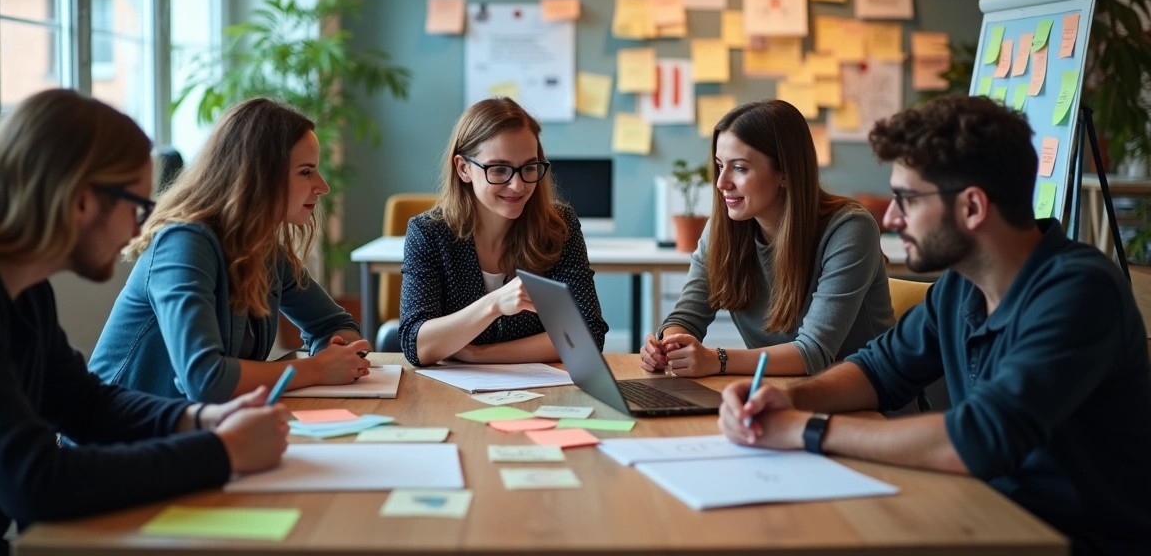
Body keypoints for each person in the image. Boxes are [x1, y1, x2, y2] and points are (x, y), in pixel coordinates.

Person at [720, 95, 1151, 555]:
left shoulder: (1078, 292)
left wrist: (805, 429)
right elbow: (876, 370)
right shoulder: (962, 286)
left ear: (971, 207)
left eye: (906, 198)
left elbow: (979, 438)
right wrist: (787, 396)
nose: (890, 217)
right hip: (982, 515)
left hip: (1072, 539)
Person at [0, 89, 290, 555]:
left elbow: (84, 404)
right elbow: (35, 481)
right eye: (137, 208)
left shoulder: (21, 285)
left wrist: (202, 417)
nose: (140, 231)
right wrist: (222, 452)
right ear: (83, 201)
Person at [89, 98, 370, 403]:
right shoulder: (183, 243)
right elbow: (204, 379)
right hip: (114, 442)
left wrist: (337, 348)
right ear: (259, 175)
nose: (322, 186)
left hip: (191, 429)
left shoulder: (264, 250)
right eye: (306, 172)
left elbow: (333, 323)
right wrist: (316, 370)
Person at [641, 100, 894, 378]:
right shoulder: (722, 229)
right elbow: (686, 318)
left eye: (739, 168)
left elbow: (814, 353)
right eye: (719, 165)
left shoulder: (850, 229)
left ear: (784, 173)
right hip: (782, 395)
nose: (721, 182)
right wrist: (669, 344)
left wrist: (717, 360)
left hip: (870, 407)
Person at [400, 97, 608, 366]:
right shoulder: (429, 233)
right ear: (464, 169)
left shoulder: (558, 226)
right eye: (499, 169)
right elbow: (416, 344)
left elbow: (587, 336)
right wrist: (494, 304)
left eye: (529, 168)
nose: (517, 185)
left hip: (539, 390)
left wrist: (478, 354)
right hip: (451, 395)